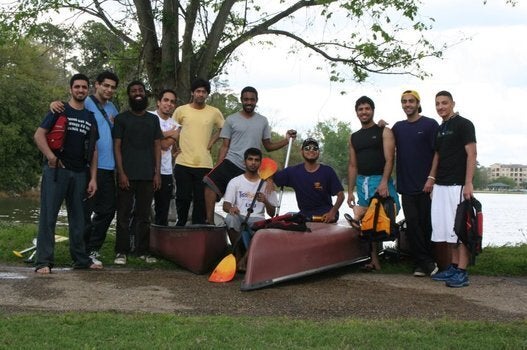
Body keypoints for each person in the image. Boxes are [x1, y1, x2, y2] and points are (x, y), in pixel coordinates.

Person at [33, 73, 102, 274]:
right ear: (71, 89)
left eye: (84, 87)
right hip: (56, 172)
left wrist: (94, 178)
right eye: (77, 87)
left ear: (88, 90)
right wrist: (50, 157)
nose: (80, 90)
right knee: (48, 217)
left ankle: (81, 259)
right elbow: (39, 135)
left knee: (79, 219)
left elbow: (94, 150)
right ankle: (43, 262)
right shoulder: (59, 110)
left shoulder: (90, 118)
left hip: (80, 173)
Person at [50, 71, 120, 265]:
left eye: (112, 87)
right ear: (96, 85)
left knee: (107, 210)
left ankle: (91, 249)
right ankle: (81, 253)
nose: (108, 89)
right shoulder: (86, 102)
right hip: (87, 166)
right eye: (105, 85)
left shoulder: (113, 108)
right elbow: (67, 108)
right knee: (84, 211)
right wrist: (53, 104)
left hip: (108, 166)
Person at [203, 86, 296, 224]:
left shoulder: (262, 121)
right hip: (231, 161)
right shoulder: (231, 119)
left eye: (252, 100)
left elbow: (268, 146)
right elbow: (225, 146)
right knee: (209, 183)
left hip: (252, 166)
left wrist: (286, 140)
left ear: (256, 101)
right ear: (241, 100)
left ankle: (251, 224)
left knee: (252, 196)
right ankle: (210, 223)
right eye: (246, 99)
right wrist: (217, 166)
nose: (249, 102)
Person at [429, 91, 477, 288]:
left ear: (453, 104)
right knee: (447, 229)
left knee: (459, 229)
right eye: (438, 104)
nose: (441, 107)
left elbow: (472, 154)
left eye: (445, 103)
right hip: (441, 184)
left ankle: (462, 272)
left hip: (458, 185)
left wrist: (468, 182)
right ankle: (453, 266)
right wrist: (431, 179)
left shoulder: (464, 124)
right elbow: (438, 155)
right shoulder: (441, 128)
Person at [347, 96, 400, 271]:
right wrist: (350, 191)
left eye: (367, 108)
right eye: (360, 109)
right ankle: (374, 260)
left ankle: (387, 251)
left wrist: (384, 182)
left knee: (386, 213)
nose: (364, 112)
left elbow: (389, 159)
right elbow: (353, 165)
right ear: (356, 113)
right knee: (367, 221)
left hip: (380, 179)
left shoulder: (383, 131)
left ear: (373, 110)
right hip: (362, 182)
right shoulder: (353, 137)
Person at [113, 80, 162, 265]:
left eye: (140, 90)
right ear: (129, 95)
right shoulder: (121, 119)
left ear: (145, 93)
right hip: (127, 174)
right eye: (133, 91)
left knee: (144, 216)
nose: (137, 93)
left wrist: (157, 173)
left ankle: (143, 251)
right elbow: (116, 147)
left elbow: (157, 146)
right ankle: (121, 252)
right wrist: (121, 173)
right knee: (123, 214)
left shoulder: (153, 119)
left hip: (148, 175)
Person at [392, 90, 439, 277]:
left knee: (426, 224)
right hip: (406, 185)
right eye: (404, 101)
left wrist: (431, 178)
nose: (407, 104)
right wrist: (381, 126)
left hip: (426, 185)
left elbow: (438, 153)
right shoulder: (398, 127)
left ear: (418, 103)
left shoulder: (429, 124)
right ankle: (424, 263)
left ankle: (424, 261)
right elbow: (386, 141)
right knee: (412, 225)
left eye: (411, 101)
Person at [172, 78, 224, 226]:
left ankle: (197, 226)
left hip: (204, 163)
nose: (200, 94)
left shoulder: (214, 112)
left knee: (200, 198)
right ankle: (180, 224)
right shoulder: (181, 110)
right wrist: (175, 147)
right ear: (192, 92)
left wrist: (212, 141)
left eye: (204, 92)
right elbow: (173, 130)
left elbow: (223, 129)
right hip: (183, 162)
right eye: (198, 91)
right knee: (182, 196)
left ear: (207, 94)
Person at [273, 138, 344, 223]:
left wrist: (333, 212)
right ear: (302, 151)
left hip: (325, 214)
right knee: (288, 217)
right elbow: (273, 174)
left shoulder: (328, 171)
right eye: (307, 148)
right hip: (304, 214)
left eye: (315, 148)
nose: (311, 150)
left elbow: (341, 196)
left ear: (318, 152)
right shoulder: (293, 171)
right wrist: (270, 179)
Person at [223, 148, 278, 247]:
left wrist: (265, 201)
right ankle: (237, 253)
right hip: (239, 216)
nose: (253, 163)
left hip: (258, 219)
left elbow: (272, 214)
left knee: (265, 228)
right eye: (250, 159)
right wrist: (231, 208)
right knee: (230, 218)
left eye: (256, 160)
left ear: (260, 163)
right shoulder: (235, 181)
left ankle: (246, 257)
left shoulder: (268, 184)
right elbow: (225, 205)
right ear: (245, 162)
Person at [151, 89, 179, 226]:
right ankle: (139, 243)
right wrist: (168, 133)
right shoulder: (149, 117)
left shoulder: (176, 125)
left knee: (162, 211)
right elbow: (153, 140)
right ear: (158, 102)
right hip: (147, 170)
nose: (169, 104)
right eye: (166, 100)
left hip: (165, 172)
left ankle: (160, 243)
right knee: (140, 210)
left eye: (172, 101)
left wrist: (158, 135)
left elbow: (164, 145)